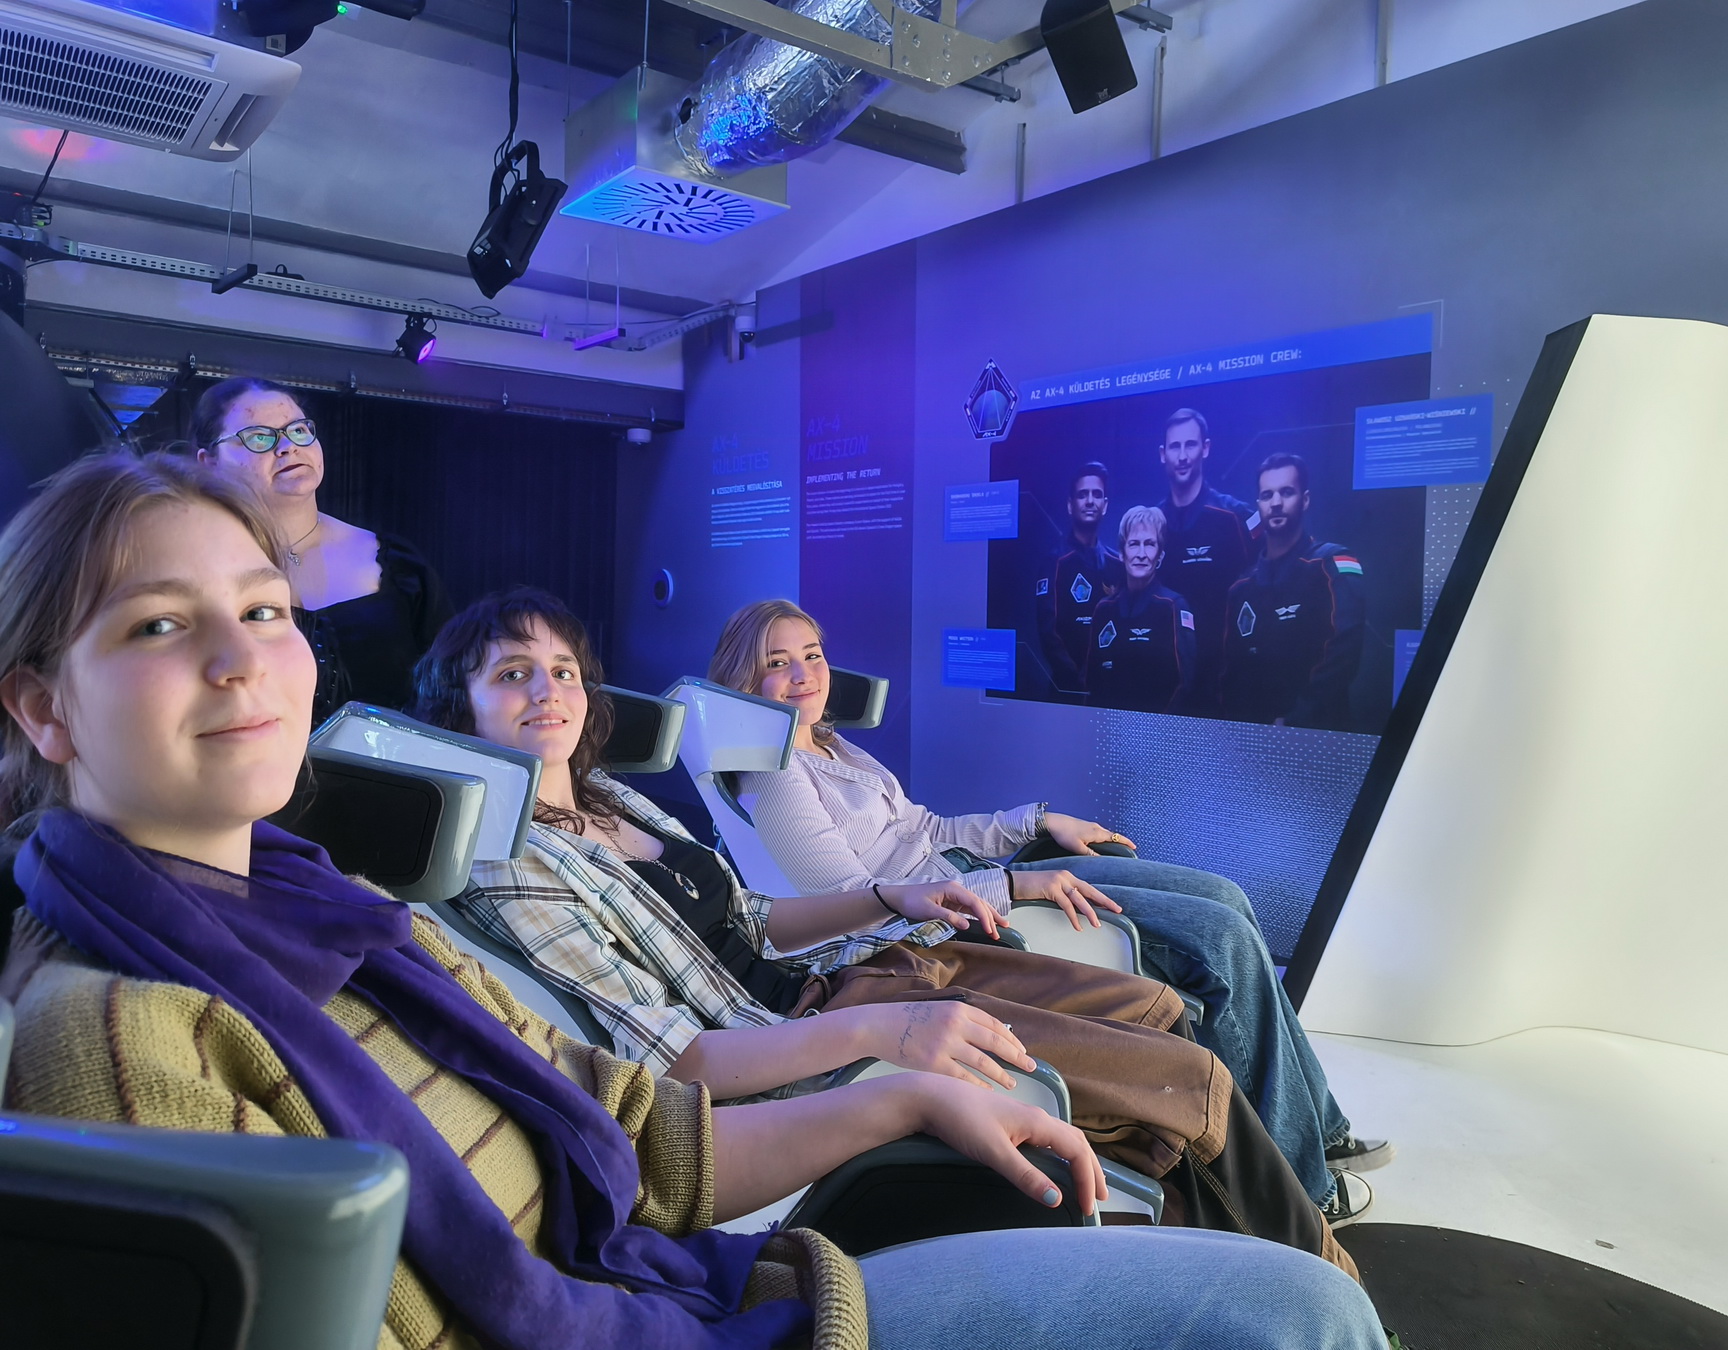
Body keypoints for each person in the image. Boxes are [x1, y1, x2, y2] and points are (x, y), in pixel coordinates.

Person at [0, 454, 1387, 1350]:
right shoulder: (115, 1042)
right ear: (41, 706)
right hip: (696, 1278)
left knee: (1241, 1181)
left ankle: (1296, 1207)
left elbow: (629, 1123)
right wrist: (891, 1034)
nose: (244, 660)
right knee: (1291, 1309)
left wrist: (903, 1090)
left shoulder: (355, 913)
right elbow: (686, 1061)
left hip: (691, 1271)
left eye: (265, 609)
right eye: (159, 624)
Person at [412, 588, 1359, 1262]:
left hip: (865, 968)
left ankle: (1257, 1258)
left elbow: (756, 917)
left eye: (564, 670)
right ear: (461, 705)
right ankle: (1327, 1285)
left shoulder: (617, 801)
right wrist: (885, 1026)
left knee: (1162, 1021)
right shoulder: (508, 860)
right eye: (513, 674)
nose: (549, 692)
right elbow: (680, 1059)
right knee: (1188, 1076)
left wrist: (891, 900)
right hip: (819, 1030)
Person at [715, 598, 1393, 1219]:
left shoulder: (830, 745)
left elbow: (927, 830)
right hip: (955, 923)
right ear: (745, 679)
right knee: (1220, 940)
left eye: (812, 655)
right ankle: (1309, 1187)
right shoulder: (776, 776)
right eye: (777, 663)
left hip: (980, 881)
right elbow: (860, 905)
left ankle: (1318, 1129)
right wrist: (1014, 888)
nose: (802, 675)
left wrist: (1038, 820)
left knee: (1227, 897)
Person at [193, 377, 451, 722]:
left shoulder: (397, 564)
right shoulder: (195, 572)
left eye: (299, 430)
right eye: (259, 437)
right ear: (208, 461)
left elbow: (455, 689)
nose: (288, 447)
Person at [1220, 454, 1367, 730]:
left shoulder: (1332, 564)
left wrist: (1295, 721)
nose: (1276, 503)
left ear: (1305, 500)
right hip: (1252, 740)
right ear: (1259, 504)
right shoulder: (1241, 588)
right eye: (1267, 495)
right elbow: (1231, 672)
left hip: (1319, 736)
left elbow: (1344, 653)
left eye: (1286, 492)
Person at [1154, 409, 1257, 710]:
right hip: (1167, 686)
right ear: (1162, 454)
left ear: (1206, 448)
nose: (1182, 456)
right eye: (1175, 446)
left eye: (1191, 445)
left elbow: (1284, 551)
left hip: (1226, 686)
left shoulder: (1236, 515)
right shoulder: (1152, 524)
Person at [1084, 506, 1198, 716]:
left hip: (1156, 729)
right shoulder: (1104, 609)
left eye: (1150, 544)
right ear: (1121, 553)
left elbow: (1185, 683)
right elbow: (1092, 680)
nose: (1141, 554)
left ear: (1160, 555)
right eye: (1134, 544)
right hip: (1107, 728)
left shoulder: (1173, 607)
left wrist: (1152, 729)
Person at [1034, 463, 1124, 692]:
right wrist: (1077, 681)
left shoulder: (1117, 564)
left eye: (1097, 494)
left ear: (1105, 505)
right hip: (1068, 690)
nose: (1090, 501)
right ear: (1070, 505)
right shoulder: (1055, 562)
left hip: (1112, 688)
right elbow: (1049, 633)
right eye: (1082, 495)